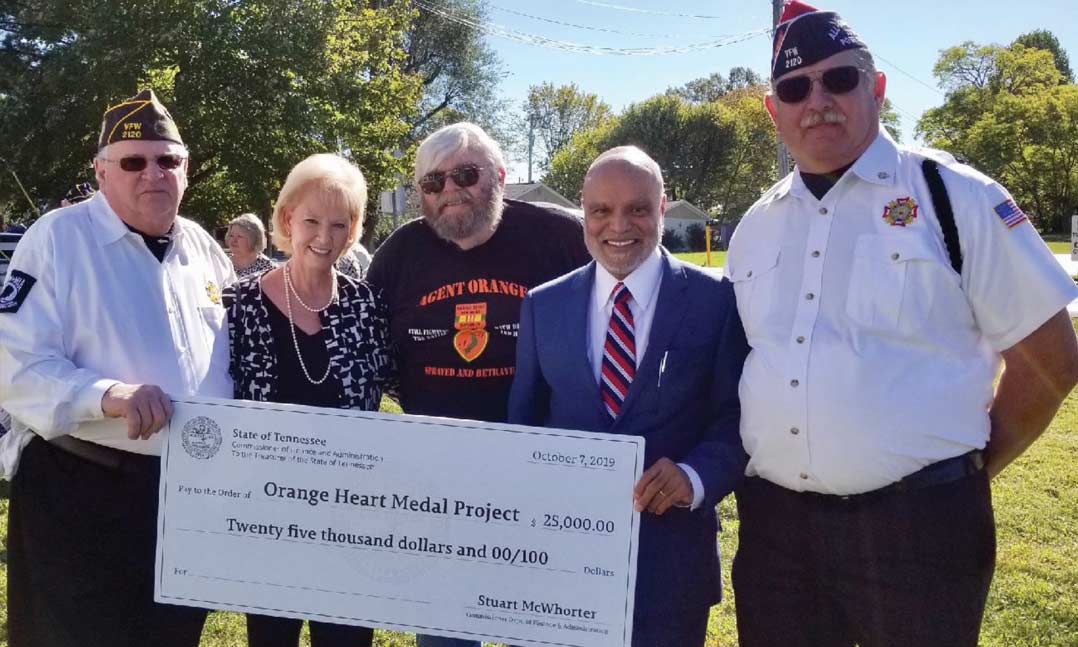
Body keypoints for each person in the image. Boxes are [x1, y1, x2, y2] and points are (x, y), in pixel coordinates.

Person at [725, 3, 1078, 646]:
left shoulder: (954, 197)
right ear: (774, 111)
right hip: (778, 535)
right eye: (795, 88)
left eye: (840, 80)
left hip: (920, 532)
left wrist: (964, 473)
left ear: (877, 87)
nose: (818, 101)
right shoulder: (755, 226)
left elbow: (1051, 358)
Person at [0, 88, 233, 646]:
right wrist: (107, 395)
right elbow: (13, 364)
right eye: (133, 161)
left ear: (185, 169)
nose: (153, 173)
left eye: (167, 160)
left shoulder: (202, 248)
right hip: (80, 489)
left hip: (185, 492)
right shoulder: (58, 239)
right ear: (102, 173)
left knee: (171, 636)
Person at [507, 146, 748, 646]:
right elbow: (523, 428)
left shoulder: (716, 301)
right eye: (601, 210)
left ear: (662, 209)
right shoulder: (543, 305)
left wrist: (694, 475)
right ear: (584, 214)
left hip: (671, 567)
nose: (619, 225)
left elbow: (736, 417)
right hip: (563, 566)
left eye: (637, 209)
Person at [364, 122, 590, 647]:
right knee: (446, 634)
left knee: (539, 629)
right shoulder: (399, 255)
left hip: (540, 479)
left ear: (501, 177)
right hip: (441, 482)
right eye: (432, 182)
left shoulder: (561, 239)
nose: (449, 191)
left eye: (466, 174)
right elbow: (370, 350)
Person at [226, 153, 395, 647]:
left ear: (355, 230)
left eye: (340, 224)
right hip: (268, 516)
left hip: (351, 518)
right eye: (312, 221)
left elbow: (399, 383)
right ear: (285, 221)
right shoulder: (237, 305)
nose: (325, 237)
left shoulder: (365, 306)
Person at [226, 211, 277, 279]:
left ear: (253, 239)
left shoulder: (269, 269)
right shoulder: (223, 262)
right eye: (231, 235)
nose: (234, 240)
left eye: (239, 236)